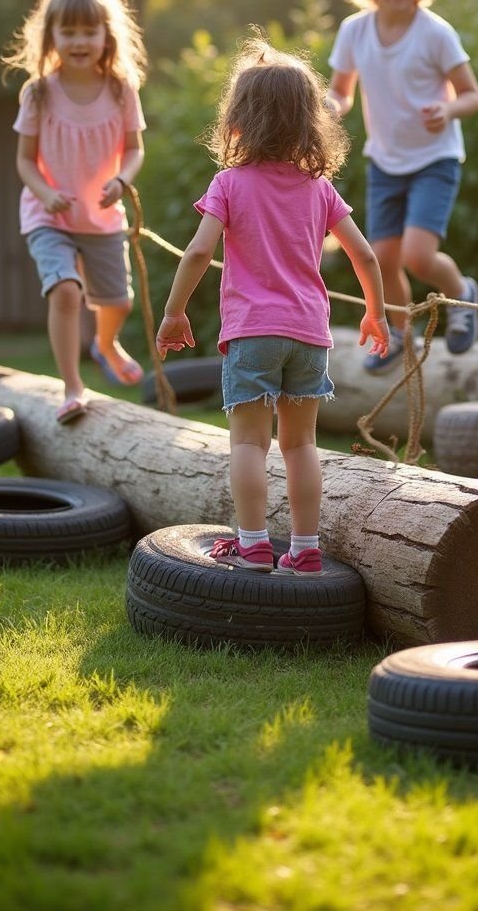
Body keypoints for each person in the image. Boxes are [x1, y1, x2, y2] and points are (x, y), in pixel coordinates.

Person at [155, 36, 389, 576]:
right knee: (301, 444)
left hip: (253, 333)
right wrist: (375, 312)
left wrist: (174, 312)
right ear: (310, 123)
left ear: (238, 121)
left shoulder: (229, 184)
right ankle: (305, 549)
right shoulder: (320, 190)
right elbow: (366, 255)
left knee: (248, 444)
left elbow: (197, 251)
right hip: (309, 334)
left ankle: (255, 542)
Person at [327, 0, 478, 373]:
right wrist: (328, 106)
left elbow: (473, 95)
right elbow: (342, 92)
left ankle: (463, 295)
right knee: (382, 259)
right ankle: (398, 334)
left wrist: (448, 110)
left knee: (417, 255)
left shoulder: (435, 33)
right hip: (385, 163)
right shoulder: (354, 31)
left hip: (435, 159)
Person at [3, 0, 148, 424]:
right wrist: (45, 193)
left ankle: (105, 343)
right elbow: (25, 161)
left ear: (109, 34)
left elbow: (135, 150)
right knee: (65, 291)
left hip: (102, 216)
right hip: (49, 216)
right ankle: (72, 386)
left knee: (118, 302)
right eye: (69, 31)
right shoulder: (39, 94)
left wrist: (122, 180)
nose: (79, 40)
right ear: (51, 37)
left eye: (90, 30)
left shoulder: (121, 91)